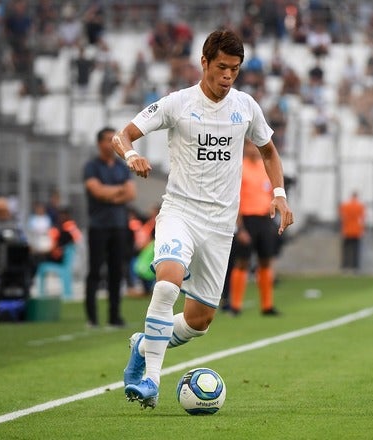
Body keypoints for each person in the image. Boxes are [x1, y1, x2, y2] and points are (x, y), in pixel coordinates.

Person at [111, 29, 294, 409]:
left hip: (220, 225)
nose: (228, 76)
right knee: (167, 283)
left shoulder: (246, 107)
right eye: (222, 67)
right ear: (205, 62)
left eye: (235, 69)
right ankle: (151, 380)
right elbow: (122, 135)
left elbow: (269, 151)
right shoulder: (177, 103)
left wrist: (279, 193)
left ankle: (143, 345)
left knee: (200, 320)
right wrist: (132, 156)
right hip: (180, 212)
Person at [83, 127, 136, 328]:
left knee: (116, 271)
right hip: (98, 226)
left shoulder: (123, 166)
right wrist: (119, 191)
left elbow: (131, 194)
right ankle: (92, 318)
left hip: (119, 226)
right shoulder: (91, 166)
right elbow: (97, 191)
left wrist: (109, 194)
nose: (112, 143)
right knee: (95, 272)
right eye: (108, 139)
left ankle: (114, 316)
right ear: (99, 143)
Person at [227, 140, 282, 316]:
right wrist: (240, 228)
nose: (254, 149)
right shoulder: (239, 168)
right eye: (250, 145)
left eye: (255, 146)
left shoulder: (264, 167)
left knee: (265, 261)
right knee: (242, 262)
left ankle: (267, 305)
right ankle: (235, 305)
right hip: (247, 219)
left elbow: (271, 193)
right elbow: (235, 200)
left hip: (264, 219)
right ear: (244, 147)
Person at [339, 191, 366, 271]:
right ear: (357, 196)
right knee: (356, 250)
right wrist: (362, 230)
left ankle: (345, 266)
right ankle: (355, 266)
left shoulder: (345, 205)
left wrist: (342, 229)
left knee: (346, 250)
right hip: (356, 231)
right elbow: (362, 219)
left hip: (347, 231)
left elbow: (342, 217)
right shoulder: (360, 206)